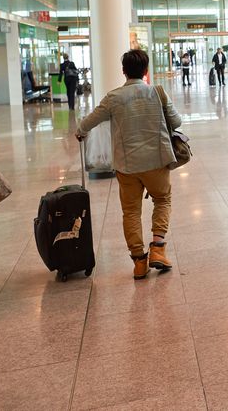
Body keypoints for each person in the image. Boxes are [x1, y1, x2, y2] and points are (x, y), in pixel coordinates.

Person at [76, 50, 181, 280]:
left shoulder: (114, 97)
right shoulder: (157, 92)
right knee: (162, 199)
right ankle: (158, 249)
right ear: (146, 71)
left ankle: (139, 262)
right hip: (156, 161)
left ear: (123, 71)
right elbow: (177, 121)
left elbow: (89, 121)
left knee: (131, 211)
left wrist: (80, 132)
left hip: (127, 166)